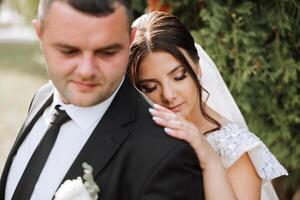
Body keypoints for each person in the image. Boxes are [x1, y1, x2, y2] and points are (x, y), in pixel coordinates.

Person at [0, 1, 205, 200]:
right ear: (40, 34)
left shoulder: (165, 157)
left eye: (107, 52)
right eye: (69, 51)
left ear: (130, 40)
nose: (87, 71)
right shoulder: (42, 97)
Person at [129, 11, 288, 200]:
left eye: (179, 77)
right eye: (150, 87)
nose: (168, 95)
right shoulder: (139, 138)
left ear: (197, 69)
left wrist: (208, 157)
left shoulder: (234, 150)